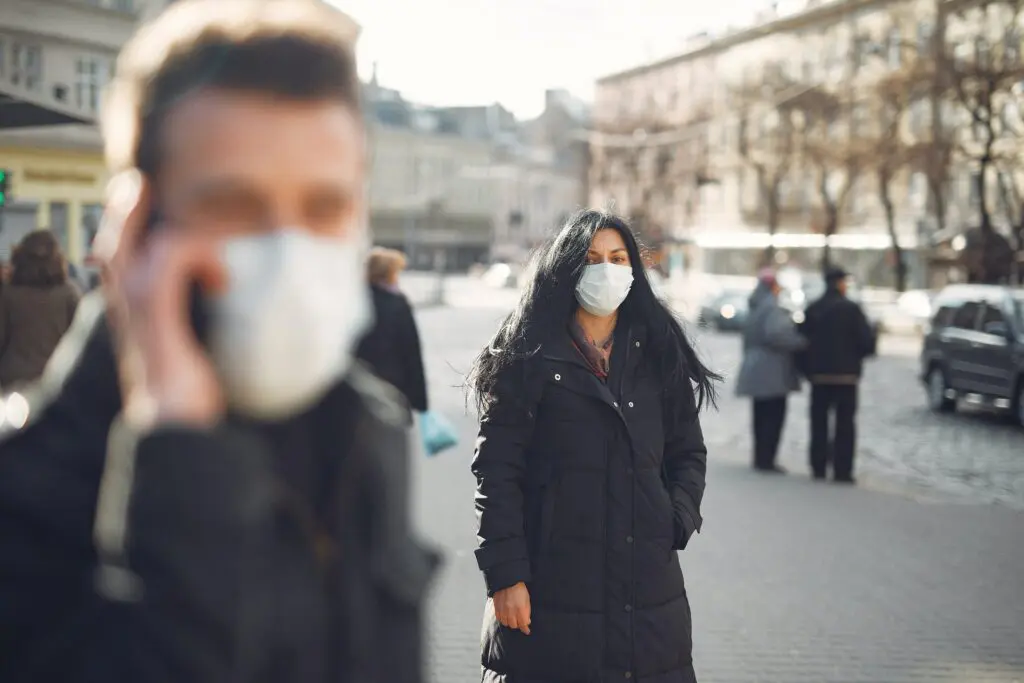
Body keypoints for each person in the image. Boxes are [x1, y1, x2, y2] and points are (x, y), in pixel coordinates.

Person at [0, 2, 438, 681]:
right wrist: (178, 452)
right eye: (235, 206)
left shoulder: (362, 432)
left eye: (323, 207)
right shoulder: (22, 496)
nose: (288, 250)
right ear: (137, 227)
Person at [469, 209, 719, 683]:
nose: (606, 269)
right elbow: (496, 473)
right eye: (591, 258)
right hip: (552, 586)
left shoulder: (658, 352)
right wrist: (505, 575)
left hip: (648, 592)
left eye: (617, 257)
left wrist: (676, 518)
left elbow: (688, 451)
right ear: (566, 269)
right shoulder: (525, 355)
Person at [799, 265, 876, 484]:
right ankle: (842, 470)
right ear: (840, 283)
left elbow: (802, 342)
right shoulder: (852, 309)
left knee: (818, 423)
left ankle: (818, 466)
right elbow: (866, 342)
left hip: (819, 376)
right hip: (846, 377)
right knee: (845, 425)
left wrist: (809, 370)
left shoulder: (814, 308)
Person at [735, 269, 806, 474]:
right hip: (772, 370)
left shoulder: (754, 307)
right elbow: (777, 335)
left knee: (759, 415)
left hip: (754, 366)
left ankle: (760, 457)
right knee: (773, 416)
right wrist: (801, 342)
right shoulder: (773, 308)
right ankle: (767, 459)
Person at [0, 230, 81, 390]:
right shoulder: (69, 294)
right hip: (56, 382)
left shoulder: (8, 295)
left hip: (13, 382)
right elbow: (80, 341)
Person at [356, 247, 428, 423]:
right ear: (388, 274)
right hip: (393, 390)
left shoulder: (353, 300)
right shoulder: (397, 303)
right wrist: (421, 403)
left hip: (356, 389)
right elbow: (411, 352)